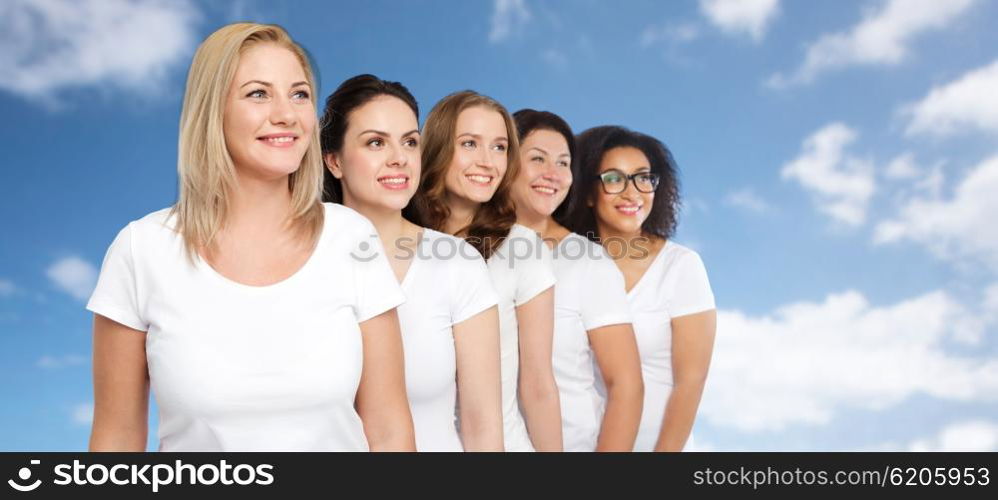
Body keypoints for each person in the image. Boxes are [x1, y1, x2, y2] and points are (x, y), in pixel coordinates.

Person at [87, 23, 415, 452]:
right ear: (212, 110)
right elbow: (117, 439)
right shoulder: (141, 249)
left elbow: (389, 427)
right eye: (258, 94)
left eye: (299, 94)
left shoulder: (352, 237)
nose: (286, 113)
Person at [320, 75, 503, 451]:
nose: (399, 158)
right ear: (334, 161)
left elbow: (483, 425)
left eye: (409, 142)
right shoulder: (301, 261)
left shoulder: (457, 264)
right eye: (375, 142)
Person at [407, 91, 562, 451]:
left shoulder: (522, 248)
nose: (488, 162)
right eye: (470, 144)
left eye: (499, 147)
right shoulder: (400, 237)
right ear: (439, 147)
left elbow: (538, 385)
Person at [561, 125, 716, 452]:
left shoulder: (681, 267)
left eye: (643, 178)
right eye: (614, 179)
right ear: (587, 192)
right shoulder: (568, 265)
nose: (632, 193)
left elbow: (690, 382)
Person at [510, 109, 643, 451]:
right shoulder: (474, 253)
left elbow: (626, 385)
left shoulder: (587, 262)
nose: (552, 174)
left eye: (564, 163)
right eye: (537, 158)